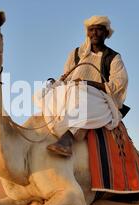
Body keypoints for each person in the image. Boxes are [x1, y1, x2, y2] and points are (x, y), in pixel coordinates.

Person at [43, 15, 129, 157]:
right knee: (46, 94)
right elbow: (66, 76)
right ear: (87, 33)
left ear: (106, 33)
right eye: (91, 30)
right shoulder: (76, 54)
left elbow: (118, 84)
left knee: (84, 101)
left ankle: (67, 140)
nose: (94, 33)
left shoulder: (113, 57)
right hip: (73, 92)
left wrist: (87, 83)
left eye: (99, 29)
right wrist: (59, 83)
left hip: (100, 98)